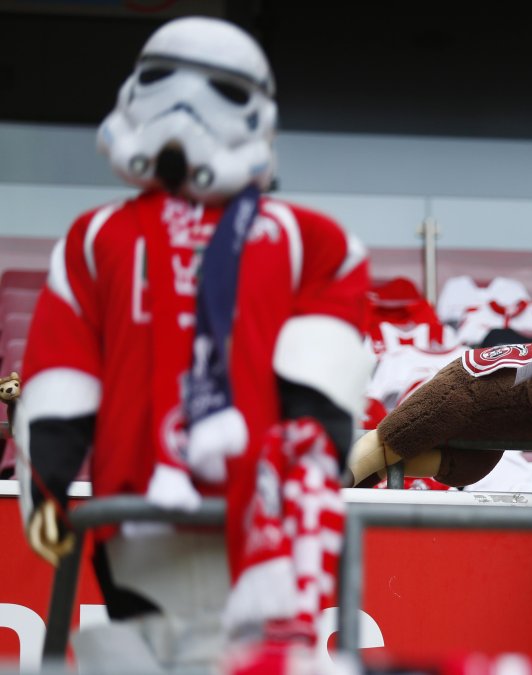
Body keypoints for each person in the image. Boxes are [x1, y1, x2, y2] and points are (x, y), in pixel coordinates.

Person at [14, 16, 371, 673]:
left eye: (219, 90)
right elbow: (64, 365)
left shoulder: (306, 240)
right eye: (162, 80)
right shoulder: (96, 237)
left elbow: (324, 367)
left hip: (259, 523)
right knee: (138, 650)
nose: (186, 106)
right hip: (134, 520)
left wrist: (309, 456)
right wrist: (46, 478)